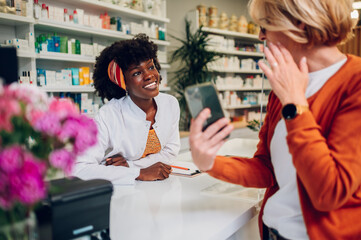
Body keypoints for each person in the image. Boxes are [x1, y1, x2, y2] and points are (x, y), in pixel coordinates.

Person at [189, 0, 361, 239]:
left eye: (265, 25)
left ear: (298, 23)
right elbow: (267, 168)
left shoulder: (354, 82)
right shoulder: (282, 88)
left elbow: (329, 192)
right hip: (272, 232)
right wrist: (209, 162)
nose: (260, 36)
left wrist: (295, 103)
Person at [74, 34, 180, 185]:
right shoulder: (109, 115)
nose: (149, 75)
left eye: (150, 67)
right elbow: (79, 168)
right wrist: (138, 173)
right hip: (122, 193)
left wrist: (131, 165)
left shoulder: (170, 104)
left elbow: (170, 152)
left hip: (161, 188)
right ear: (123, 83)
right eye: (137, 73)